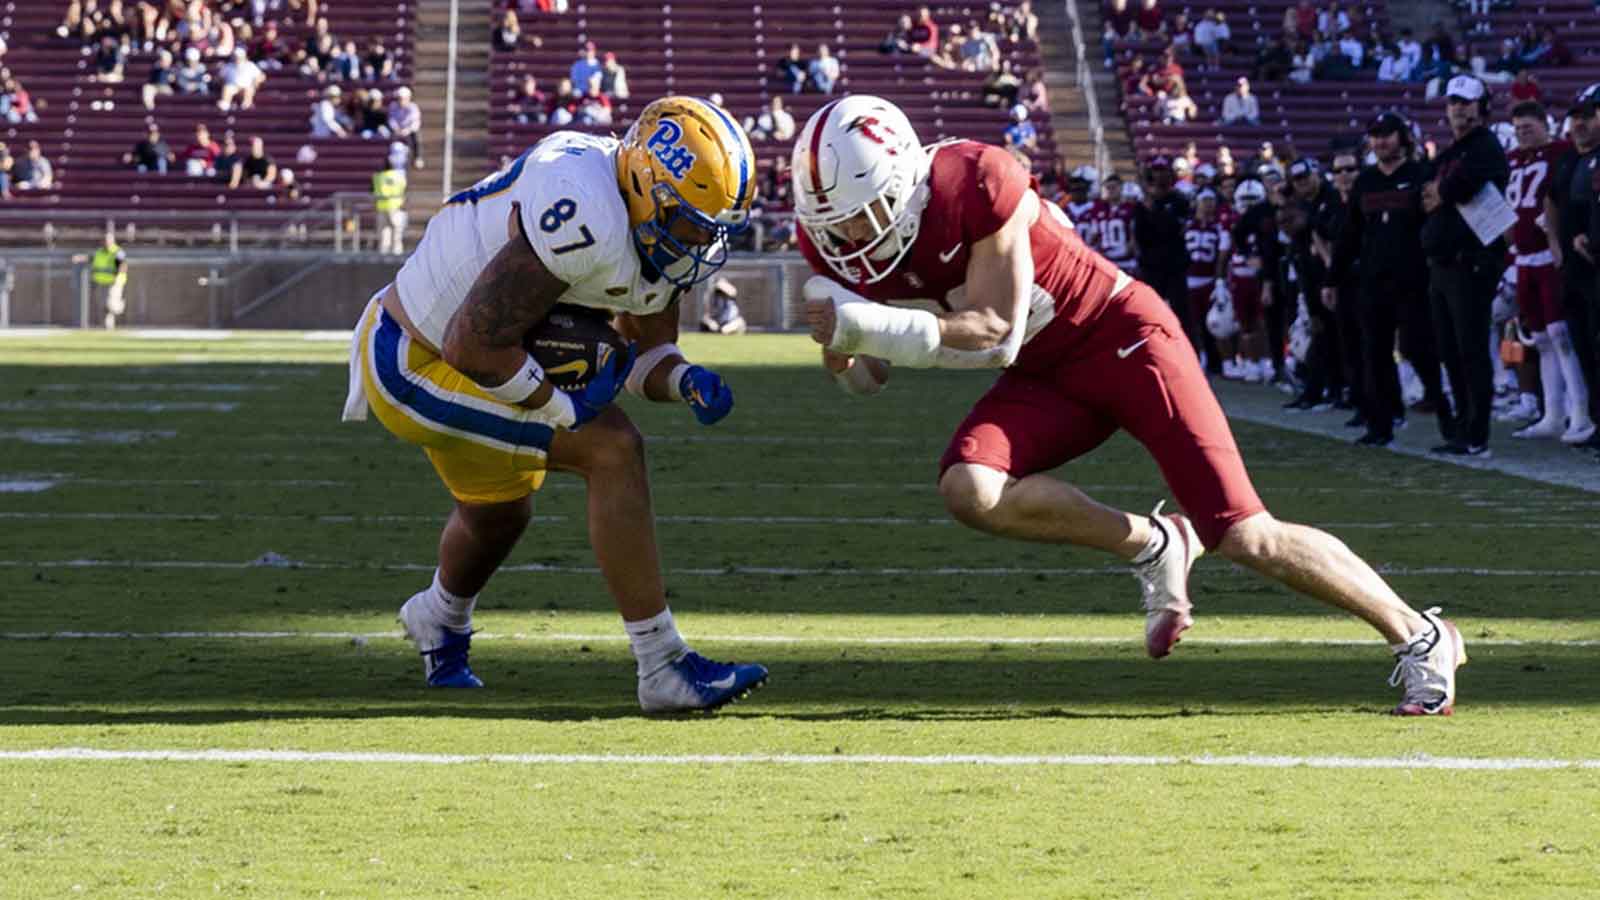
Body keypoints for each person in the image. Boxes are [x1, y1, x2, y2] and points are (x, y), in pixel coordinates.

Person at [790, 95, 1464, 715]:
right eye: (835, 222)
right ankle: (1152, 542)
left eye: (862, 212)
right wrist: (842, 350)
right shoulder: (832, 240)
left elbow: (994, 332)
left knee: (1243, 533)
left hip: (1122, 339)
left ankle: (1420, 634)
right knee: (970, 488)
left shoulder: (978, 179)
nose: (850, 234)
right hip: (1047, 370)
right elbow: (867, 378)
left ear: (906, 180)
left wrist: (861, 324)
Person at [339, 96, 768, 711]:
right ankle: (662, 664)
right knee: (613, 449)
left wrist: (684, 381)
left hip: (466, 352)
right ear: (647, 186)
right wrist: (560, 408)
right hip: (413, 359)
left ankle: (438, 617)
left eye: (711, 225)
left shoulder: (651, 231)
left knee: (499, 515)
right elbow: (474, 344)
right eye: (690, 220)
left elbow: (640, 358)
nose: (700, 238)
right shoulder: (582, 210)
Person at [1327, 111, 1444, 447]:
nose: (1381, 141)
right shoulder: (1366, 181)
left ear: (1402, 137)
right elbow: (1349, 234)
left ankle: (1445, 410)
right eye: (1376, 135)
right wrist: (1332, 279)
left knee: (1420, 349)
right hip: (1373, 280)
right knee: (1374, 354)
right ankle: (1380, 425)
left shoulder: (1422, 174)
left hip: (1415, 279)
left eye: (1387, 134)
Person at [1419, 75, 1510, 458]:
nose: (1458, 108)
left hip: (1470, 263)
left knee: (1471, 349)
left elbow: (1453, 189)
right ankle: (1461, 429)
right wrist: (1439, 191)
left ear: (1481, 107)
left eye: (1466, 102)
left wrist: (1442, 191)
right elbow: (1424, 195)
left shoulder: (1485, 146)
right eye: (1453, 102)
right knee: (1450, 350)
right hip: (1443, 265)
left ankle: (1476, 434)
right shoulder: (1450, 152)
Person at [1505, 100, 1594, 443]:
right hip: (1523, 257)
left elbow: (1558, 197)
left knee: (1561, 334)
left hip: (1547, 255)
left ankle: (1580, 413)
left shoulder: (1560, 151)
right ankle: (1553, 413)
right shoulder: (1514, 159)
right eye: (1518, 129)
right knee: (1540, 338)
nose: (1522, 134)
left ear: (1545, 123)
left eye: (1528, 127)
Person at [1551, 83, 1600, 446]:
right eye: (1576, 117)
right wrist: (1556, 246)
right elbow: (1550, 202)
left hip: (1595, 266)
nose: (1580, 124)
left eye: (1587, 117)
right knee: (1583, 345)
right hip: (1573, 269)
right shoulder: (1567, 159)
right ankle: (1596, 421)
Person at [372, 144, 407, 255]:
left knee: (383, 232)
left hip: (381, 207)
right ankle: (397, 251)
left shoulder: (378, 177)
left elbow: (373, 190)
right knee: (396, 232)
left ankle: (383, 251)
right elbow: (403, 189)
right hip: (396, 206)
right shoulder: (399, 177)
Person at [91, 232, 128, 329]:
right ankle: (107, 327)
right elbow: (92, 259)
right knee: (103, 306)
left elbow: (121, 265)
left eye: (108, 240)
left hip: (114, 282)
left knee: (111, 305)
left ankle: (120, 306)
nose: (106, 243)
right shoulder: (99, 252)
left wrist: (116, 276)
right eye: (105, 241)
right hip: (101, 282)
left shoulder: (118, 252)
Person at [388, 86, 423, 169]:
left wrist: (406, 131)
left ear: (408, 98)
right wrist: (396, 128)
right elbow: (391, 119)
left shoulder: (413, 107)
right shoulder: (393, 106)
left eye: (403, 98)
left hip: (409, 131)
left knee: (416, 136)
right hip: (396, 130)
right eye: (400, 98)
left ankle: (417, 157)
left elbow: (415, 123)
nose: (401, 101)